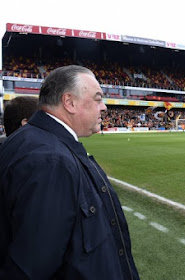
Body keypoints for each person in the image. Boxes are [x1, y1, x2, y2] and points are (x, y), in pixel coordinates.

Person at [0, 65, 140, 280]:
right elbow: (32, 267)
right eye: (97, 98)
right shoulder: (51, 160)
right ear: (70, 102)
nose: (104, 107)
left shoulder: (31, 141)